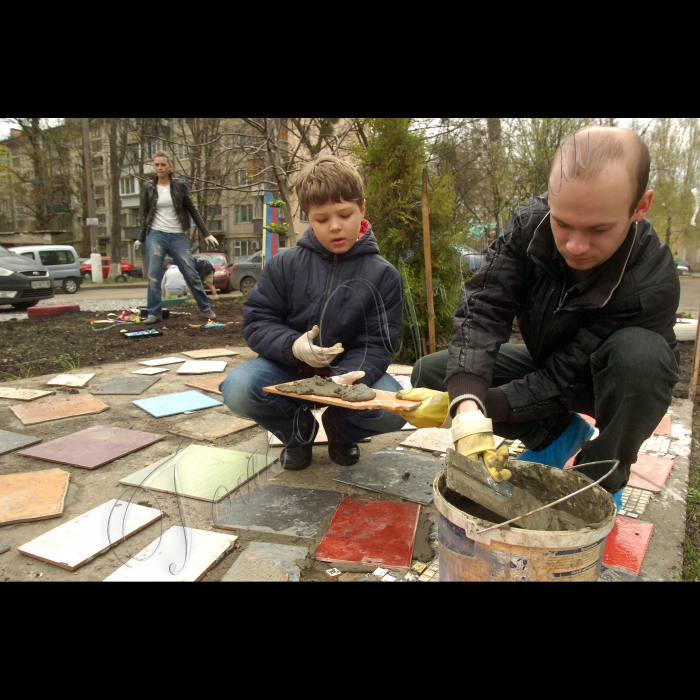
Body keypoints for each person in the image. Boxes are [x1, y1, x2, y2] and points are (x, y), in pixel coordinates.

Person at [394, 126, 680, 510]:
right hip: (550, 361)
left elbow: (564, 380)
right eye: (563, 223)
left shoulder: (651, 281)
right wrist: (466, 405)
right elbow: (483, 310)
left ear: (640, 207)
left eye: (599, 229)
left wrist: (485, 408)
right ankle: (557, 436)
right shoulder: (529, 225)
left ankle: (598, 479)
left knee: (642, 357)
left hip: (612, 384)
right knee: (437, 374)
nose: (575, 246)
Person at [220, 156, 405, 471]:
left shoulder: (383, 275)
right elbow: (257, 321)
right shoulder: (284, 264)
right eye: (321, 219)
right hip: (287, 369)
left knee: (394, 408)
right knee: (238, 388)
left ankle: (340, 430)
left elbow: (378, 342)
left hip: (347, 376)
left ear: (362, 209)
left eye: (345, 214)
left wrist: (349, 377)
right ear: (308, 217)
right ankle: (297, 432)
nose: (335, 226)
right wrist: (293, 346)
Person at [134, 150, 218, 325]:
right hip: (155, 235)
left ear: (169, 166)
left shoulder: (179, 186)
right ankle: (154, 314)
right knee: (153, 276)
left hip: (177, 236)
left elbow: (192, 210)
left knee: (191, 272)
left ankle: (205, 308)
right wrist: (141, 238)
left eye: (163, 164)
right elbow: (145, 215)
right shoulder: (149, 187)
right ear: (154, 166)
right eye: (157, 164)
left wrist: (206, 233)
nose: (160, 167)